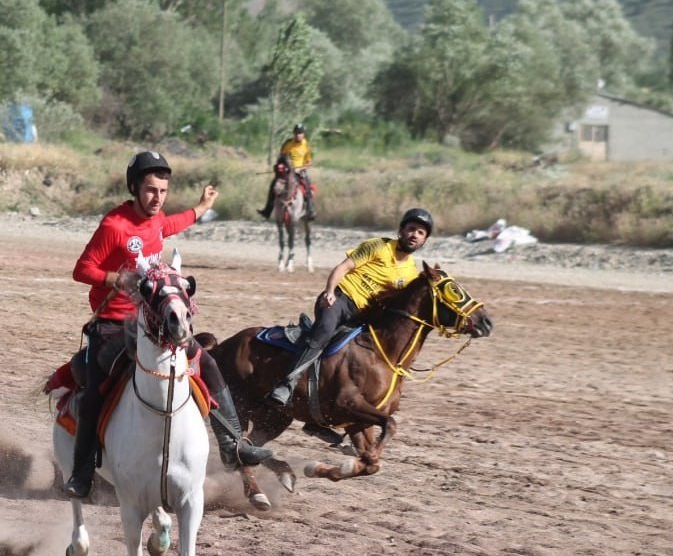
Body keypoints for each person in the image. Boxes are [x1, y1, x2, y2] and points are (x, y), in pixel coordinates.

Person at [63, 150, 274, 498]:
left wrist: (202, 207)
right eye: (149, 190)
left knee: (205, 361)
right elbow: (82, 270)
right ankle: (82, 472)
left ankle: (232, 444)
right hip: (114, 325)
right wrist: (116, 278)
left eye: (162, 191)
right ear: (134, 187)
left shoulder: (158, 220)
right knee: (95, 391)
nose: (157, 197)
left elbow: (174, 223)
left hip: (152, 320)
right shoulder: (114, 225)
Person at [268, 208, 435, 409]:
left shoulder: (410, 273)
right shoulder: (378, 246)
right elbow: (343, 268)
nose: (414, 235)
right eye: (411, 229)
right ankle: (287, 384)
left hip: (363, 314)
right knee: (323, 333)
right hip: (339, 300)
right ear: (401, 230)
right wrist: (329, 291)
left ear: (424, 240)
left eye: (420, 233)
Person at [258, 123, 315, 220]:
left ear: (304, 134)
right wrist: (280, 166)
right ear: (294, 133)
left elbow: (309, 163)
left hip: (300, 171)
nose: (298, 135)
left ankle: (310, 210)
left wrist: (299, 168)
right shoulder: (288, 143)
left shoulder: (306, 146)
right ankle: (268, 210)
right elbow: (281, 157)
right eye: (296, 133)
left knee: (307, 185)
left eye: (300, 133)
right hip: (287, 171)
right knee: (274, 185)